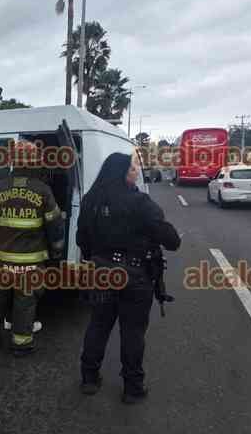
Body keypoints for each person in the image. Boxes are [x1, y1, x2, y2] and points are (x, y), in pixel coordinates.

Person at [76, 152, 181, 404]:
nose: (136, 172)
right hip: (135, 276)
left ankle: (89, 378)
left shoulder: (91, 199)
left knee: (98, 325)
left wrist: (98, 258)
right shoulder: (141, 202)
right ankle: (133, 388)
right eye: (133, 168)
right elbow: (172, 241)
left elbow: (82, 240)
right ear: (122, 173)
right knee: (132, 332)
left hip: (101, 273)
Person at [0, 141, 66, 356]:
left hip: (2, 258)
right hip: (30, 260)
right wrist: (57, 248)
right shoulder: (43, 190)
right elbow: (55, 224)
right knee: (25, 300)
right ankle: (21, 344)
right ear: (35, 163)